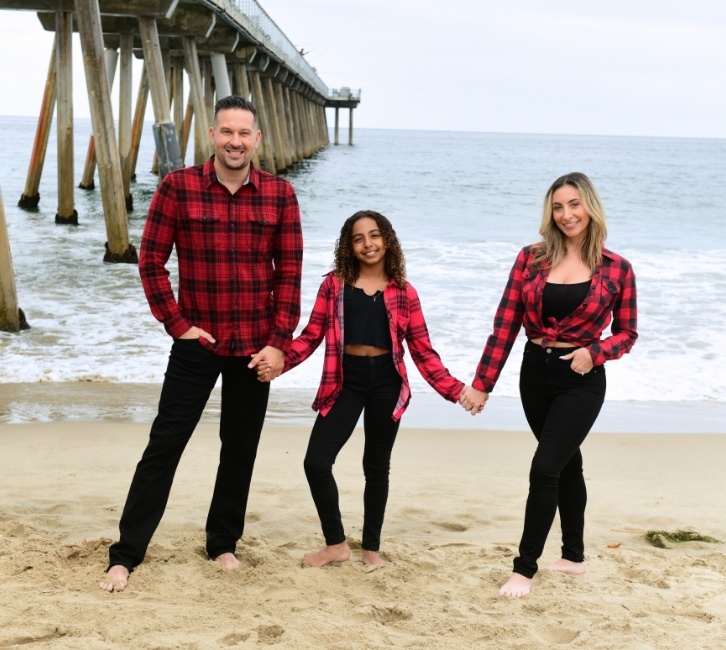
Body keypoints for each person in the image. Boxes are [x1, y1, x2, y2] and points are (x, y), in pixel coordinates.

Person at [99, 96, 303, 592]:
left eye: (244, 133)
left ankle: (222, 543)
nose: (235, 141)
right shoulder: (178, 186)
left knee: (240, 450)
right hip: (197, 344)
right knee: (164, 444)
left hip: (254, 349)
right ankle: (126, 555)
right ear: (212, 135)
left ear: (257, 139)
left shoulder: (280, 194)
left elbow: (290, 277)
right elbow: (150, 261)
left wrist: (278, 345)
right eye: (227, 132)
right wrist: (176, 323)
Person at [460, 172, 637, 598]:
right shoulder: (530, 259)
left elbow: (627, 333)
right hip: (534, 372)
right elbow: (504, 325)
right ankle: (573, 557)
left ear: (590, 207)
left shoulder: (617, 268)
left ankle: (524, 570)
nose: (566, 214)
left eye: (574, 204)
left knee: (544, 468)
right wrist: (482, 383)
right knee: (565, 464)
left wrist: (595, 352)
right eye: (558, 207)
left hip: (582, 380)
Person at [270, 210, 478, 568]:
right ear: (348, 247)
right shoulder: (333, 285)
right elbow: (310, 337)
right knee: (316, 462)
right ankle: (335, 544)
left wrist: (458, 390)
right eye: (358, 238)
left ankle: (371, 550)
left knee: (376, 467)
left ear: (387, 240)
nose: (368, 244)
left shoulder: (404, 292)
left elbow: (423, 352)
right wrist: (277, 363)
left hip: (387, 382)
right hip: (345, 381)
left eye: (375, 235)